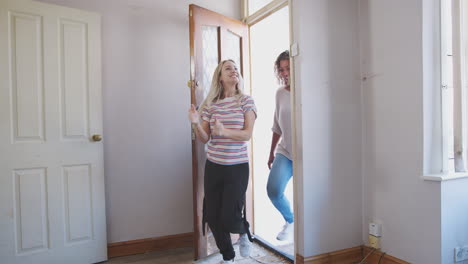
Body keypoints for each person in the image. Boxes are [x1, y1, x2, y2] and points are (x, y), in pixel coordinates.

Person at [188, 60, 256, 263]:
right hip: (214, 167)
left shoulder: (246, 101)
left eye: (236, 68)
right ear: (220, 76)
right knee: (213, 216)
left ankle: (244, 232)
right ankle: (228, 257)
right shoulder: (211, 105)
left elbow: (246, 135)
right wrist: (195, 124)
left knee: (228, 215)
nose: (234, 71)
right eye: (228, 68)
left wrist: (224, 131)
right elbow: (204, 138)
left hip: (237, 168)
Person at [267, 50, 294, 241]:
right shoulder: (280, 93)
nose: (284, 73)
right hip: (285, 151)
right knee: (274, 190)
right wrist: (271, 154)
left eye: (288, 69)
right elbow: (277, 127)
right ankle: (291, 221)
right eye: (282, 69)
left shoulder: (310, 90)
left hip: (308, 154)